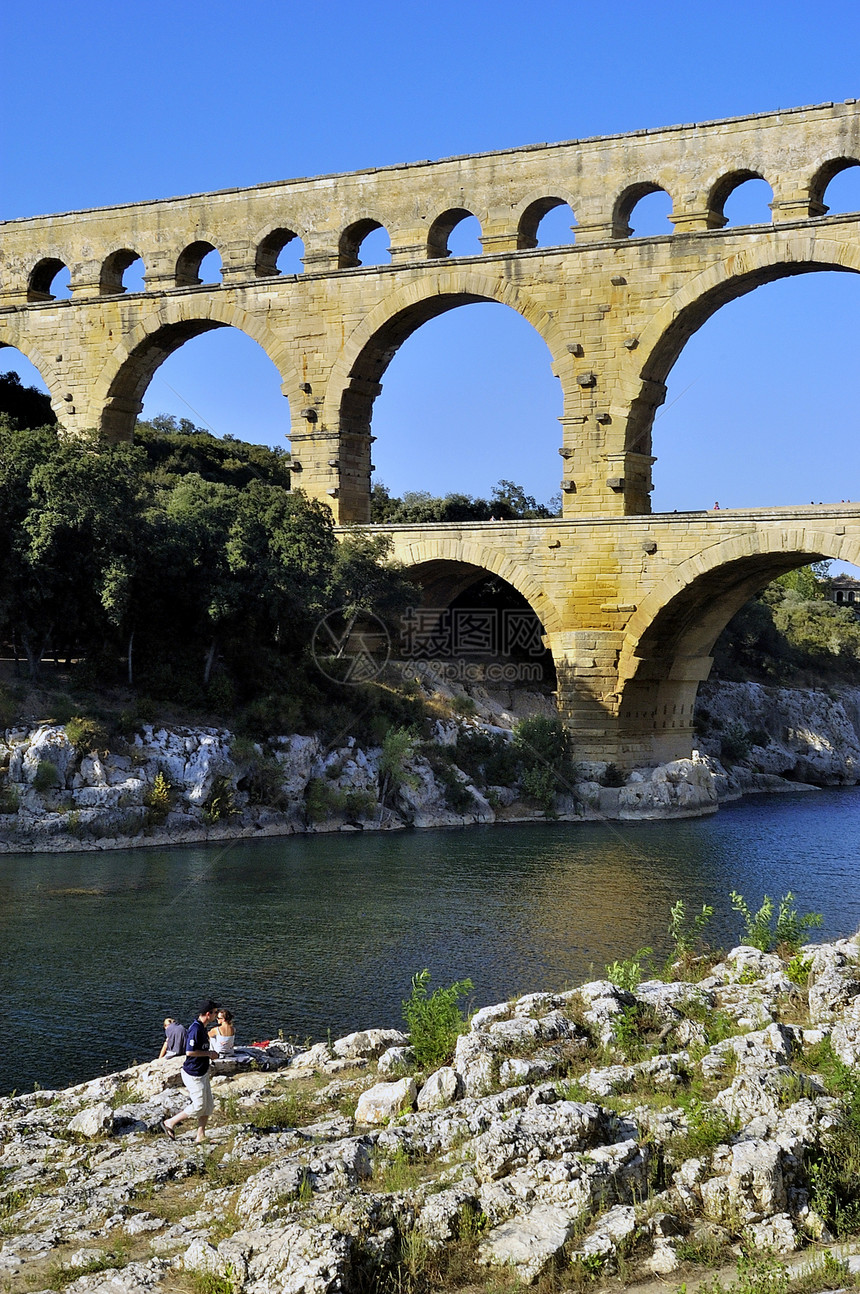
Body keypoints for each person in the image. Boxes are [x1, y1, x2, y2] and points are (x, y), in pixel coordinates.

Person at [161, 999, 220, 1144]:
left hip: (202, 1071)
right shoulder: (195, 1029)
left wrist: (209, 1053)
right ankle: (170, 1123)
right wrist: (208, 1054)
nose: (216, 1016)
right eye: (215, 1013)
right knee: (199, 1105)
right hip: (193, 1074)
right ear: (208, 1014)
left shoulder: (202, 1027)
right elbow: (189, 1051)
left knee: (208, 1105)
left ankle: (201, 1136)